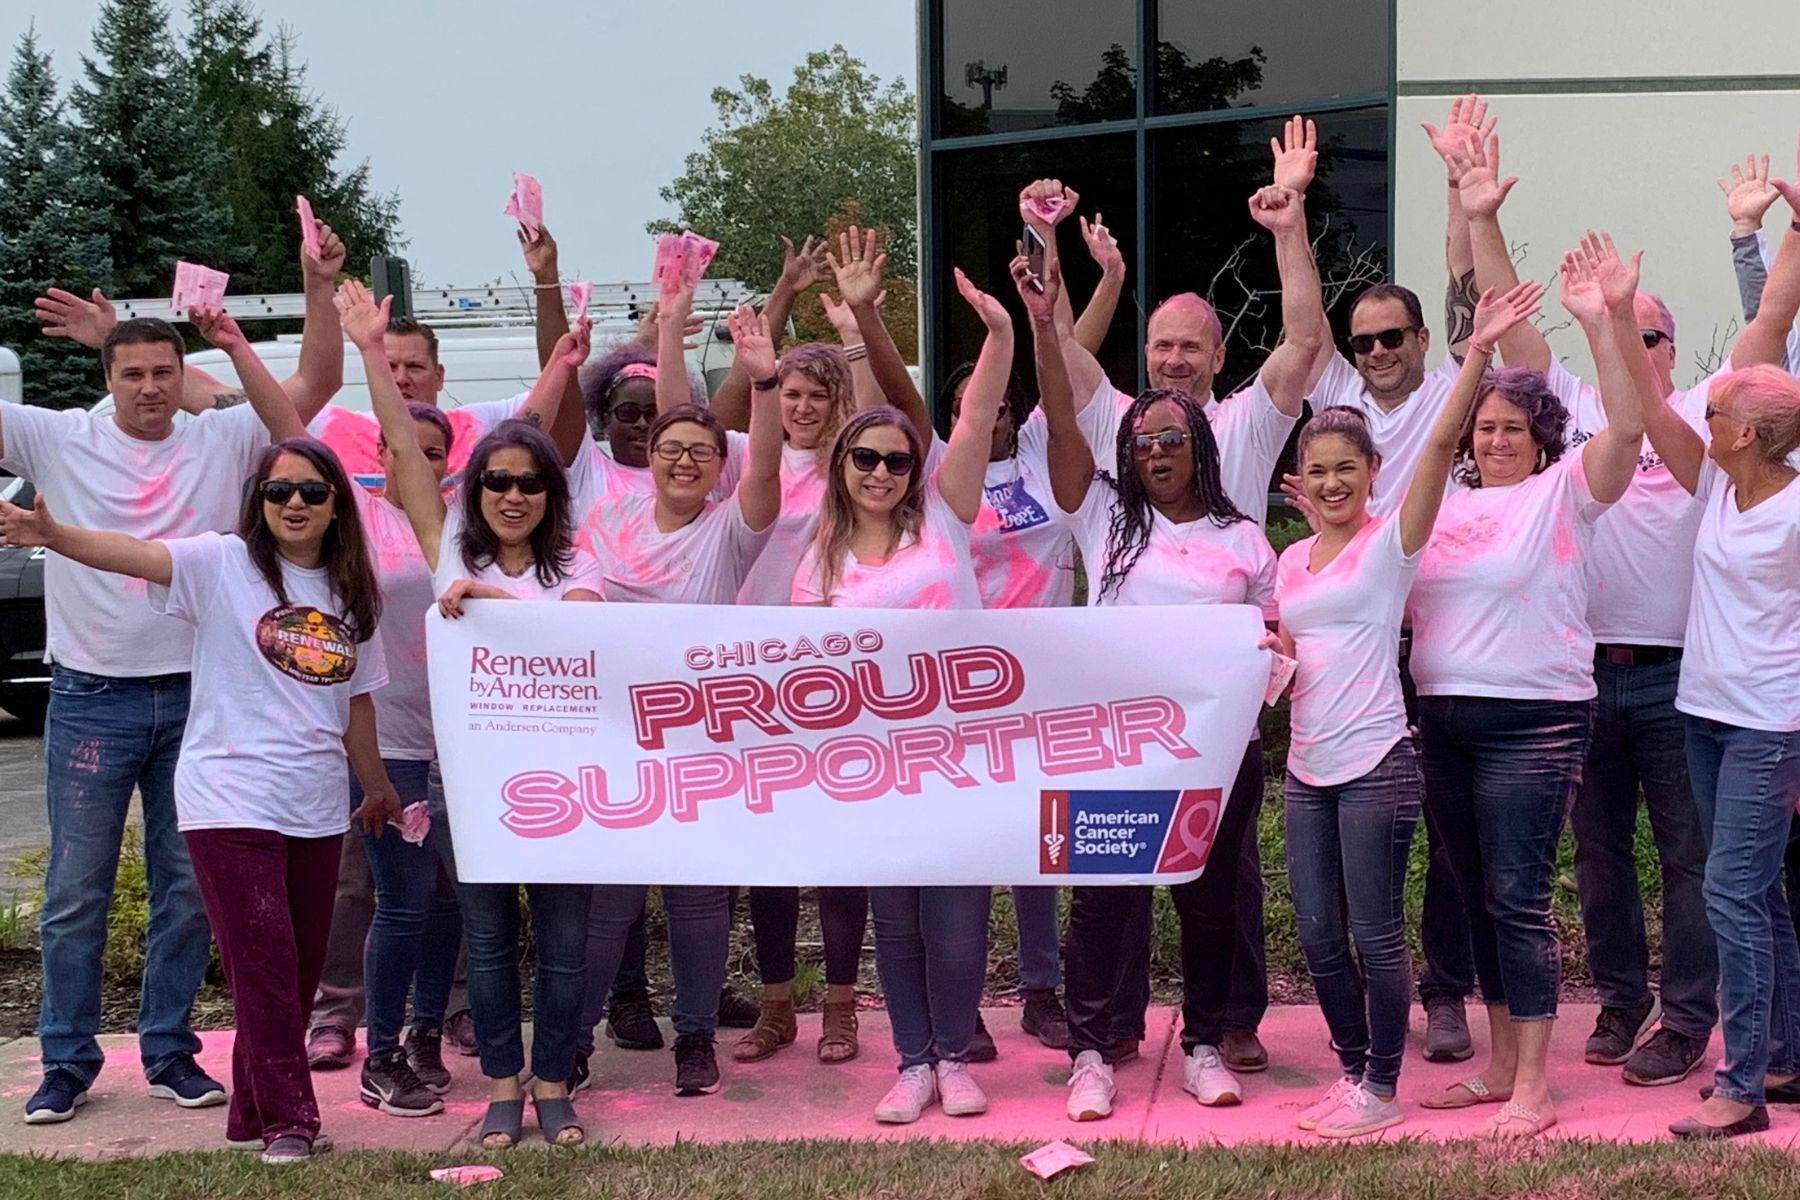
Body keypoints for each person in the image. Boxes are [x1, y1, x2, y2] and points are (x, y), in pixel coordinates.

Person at [7, 229, 346, 1126]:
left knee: (186, 893)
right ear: (107, 378)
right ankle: (66, 1063)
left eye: (163, 372)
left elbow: (312, 392)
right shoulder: (53, 438)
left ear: (178, 375)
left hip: (201, 700)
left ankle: (170, 1053)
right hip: (90, 695)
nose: (151, 388)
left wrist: (319, 285)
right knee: (76, 891)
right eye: (133, 374)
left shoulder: (220, 437)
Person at [0, 431, 395, 1165]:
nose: (295, 503)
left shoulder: (351, 590)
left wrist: (376, 787)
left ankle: (250, 1111)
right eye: (279, 492)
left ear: (336, 501)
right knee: (266, 963)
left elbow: (359, 702)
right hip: (227, 798)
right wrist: (52, 536)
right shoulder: (223, 563)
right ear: (259, 503)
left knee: (299, 966)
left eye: (311, 490)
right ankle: (290, 1120)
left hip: (312, 804)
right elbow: (134, 553)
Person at [1023, 125, 1321, 1073]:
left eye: (1192, 347)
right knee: (1107, 887)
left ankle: (1223, 1025)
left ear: (1216, 356)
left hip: (1214, 731)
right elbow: (1062, 371)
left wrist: (1289, 221)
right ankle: (1099, 1041)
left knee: (1219, 882)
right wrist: (1047, 247)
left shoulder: (1245, 438)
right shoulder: (1105, 481)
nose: (1176, 362)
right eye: (1163, 345)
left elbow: (1308, 338)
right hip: (1115, 733)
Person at [1274, 281, 1545, 1139]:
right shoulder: (1290, 564)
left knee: (1377, 936)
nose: (1331, 484)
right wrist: (1270, 660)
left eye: (1346, 470)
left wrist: (1473, 357)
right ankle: (1354, 1073)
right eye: (1318, 473)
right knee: (1319, 937)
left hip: (1377, 765)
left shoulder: (1390, 548)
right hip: (1306, 768)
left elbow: (1435, 450)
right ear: (1301, 482)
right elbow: (1287, 650)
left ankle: (1381, 1089)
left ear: (1370, 478)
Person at [340, 278, 602, 1148]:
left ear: (550, 492)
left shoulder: (577, 569)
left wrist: (487, 597)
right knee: (485, 945)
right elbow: (410, 462)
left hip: (565, 791)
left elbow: (594, 633)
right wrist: (372, 353)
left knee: (563, 947)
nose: (514, 494)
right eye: (496, 480)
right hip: (470, 785)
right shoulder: (444, 541)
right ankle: (501, 1087)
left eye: (530, 482)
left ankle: (555, 1082)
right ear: (474, 487)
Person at [1408, 230, 1649, 1138]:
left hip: (1534, 722)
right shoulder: (1448, 501)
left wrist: (1602, 323)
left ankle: (1535, 1085)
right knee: (1470, 894)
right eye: (1486, 428)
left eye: (1514, 427)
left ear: (1539, 436)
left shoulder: (1565, 492)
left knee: (1516, 895)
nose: (1498, 437)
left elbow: (1625, 427)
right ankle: (1501, 1063)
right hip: (1444, 716)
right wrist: (1473, 357)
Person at [789, 266, 1009, 1124]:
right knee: (897, 923)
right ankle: (912, 1061)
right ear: (842, 467)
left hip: (957, 756)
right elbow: (806, 675)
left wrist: (997, 333)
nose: (881, 471)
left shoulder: (944, 521)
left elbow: (977, 415)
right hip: (868, 767)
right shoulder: (821, 563)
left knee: (956, 923)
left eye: (895, 460)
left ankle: (955, 1058)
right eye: (866, 458)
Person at [565, 284, 783, 1099]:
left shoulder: (731, 531)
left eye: (702, 450)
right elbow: (576, 610)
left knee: (697, 902)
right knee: (608, 905)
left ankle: (696, 1040)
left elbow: (765, 466)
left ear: (718, 468)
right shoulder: (603, 527)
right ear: (649, 456)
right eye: (672, 446)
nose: (687, 458)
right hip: (618, 744)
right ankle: (575, 1038)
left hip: (703, 746)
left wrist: (761, 384)